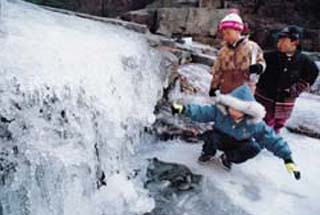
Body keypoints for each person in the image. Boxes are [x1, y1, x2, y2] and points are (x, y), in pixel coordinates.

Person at [171, 84, 301, 180]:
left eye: (238, 109)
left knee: (254, 148)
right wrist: (184, 109)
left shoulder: (254, 123)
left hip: (239, 143)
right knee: (210, 136)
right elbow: (201, 112)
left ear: (246, 111)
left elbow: (271, 138)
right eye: (231, 107)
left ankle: (228, 157)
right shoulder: (220, 111)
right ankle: (208, 152)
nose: (232, 112)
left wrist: (287, 158)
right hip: (220, 137)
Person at [255, 26, 319, 133]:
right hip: (265, 99)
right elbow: (257, 66)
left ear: (295, 42)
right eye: (279, 39)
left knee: (278, 125)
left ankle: (273, 144)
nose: (279, 42)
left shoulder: (304, 61)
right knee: (262, 125)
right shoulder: (269, 57)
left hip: (285, 102)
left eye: (283, 40)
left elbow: (313, 73)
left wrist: (296, 89)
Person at [209, 11, 266, 96]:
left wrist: (259, 67)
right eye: (223, 34)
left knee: (241, 108)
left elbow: (261, 61)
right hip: (226, 90)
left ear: (238, 31)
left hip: (245, 89)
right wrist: (214, 87)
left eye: (228, 33)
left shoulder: (252, 47)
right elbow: (217, 70)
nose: (225, 37)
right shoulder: (223, 51)